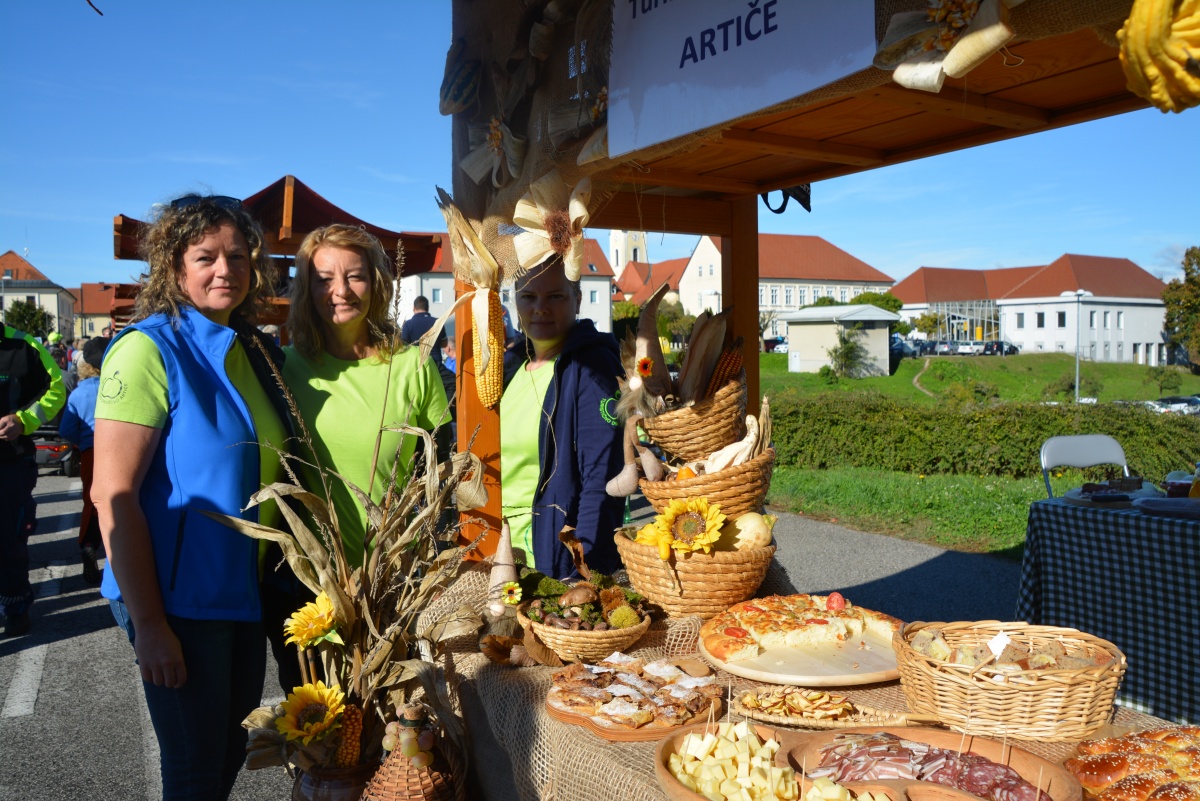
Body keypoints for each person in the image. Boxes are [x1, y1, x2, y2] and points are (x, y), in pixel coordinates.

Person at [90, 194, 293, 801]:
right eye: (205, 256)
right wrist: (150, 625)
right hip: (178, 602)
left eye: (237, 255)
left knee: (229, 753)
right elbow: (114, 494)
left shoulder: (248, 351)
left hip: (239, 597)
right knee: (195, 770)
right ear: (174, 268)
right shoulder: (149, 349)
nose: (223, 269)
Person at [284, 224, 451, 570]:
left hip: (400, 573)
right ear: (306, 289)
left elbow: (445, 471)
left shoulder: (412, 365)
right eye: (324, 279)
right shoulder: (284, 368)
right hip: (316, 578)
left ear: (376, 284)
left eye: (355, 277)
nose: (341, 291)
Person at [500, 254, 624, 579]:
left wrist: (583, 572)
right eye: (528, 297)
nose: (540, 307)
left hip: (548, 566)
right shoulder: (512, 367)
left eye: (555, 296)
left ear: (577, 300)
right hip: (497, 557)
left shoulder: (591, 368)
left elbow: (601, 480)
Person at [0, 323, 66, 636]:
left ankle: (15, 606)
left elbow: (56, 389)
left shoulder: (24, 345)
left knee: (8, 542)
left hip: (9, 463)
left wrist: (22, 420)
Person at [58, 336, 108, 584]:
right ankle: (118, 554)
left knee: (93, 500)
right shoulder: (119, 385)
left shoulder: (79, 394)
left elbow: (66, 429)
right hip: (122, 450)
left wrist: (83, 440)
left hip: (92, 452)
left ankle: (89, 544)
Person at [400, 294, 447, 366]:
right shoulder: (438, 322)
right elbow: (444, 344)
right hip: (436, 365)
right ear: (428, 308)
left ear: (414, 308)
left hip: (415, 364)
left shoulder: (408, 324)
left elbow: (403, 346)